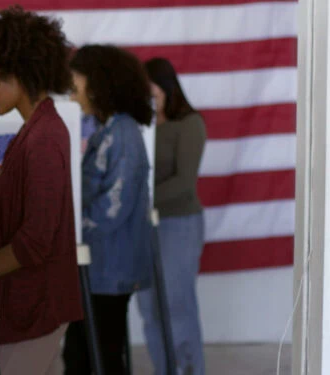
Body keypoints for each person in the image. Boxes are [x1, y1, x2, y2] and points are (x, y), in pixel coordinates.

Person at [0, 6, 83, 375]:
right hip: (30, 302)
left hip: (38, 304)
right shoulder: (35, 131)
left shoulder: (43, 138)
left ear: (21, 74)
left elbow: (35, 241)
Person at [63, 45, 154, 375]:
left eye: (77, 82)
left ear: (100, 84)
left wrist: (69, 231)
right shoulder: (107, 130)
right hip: (98, 267)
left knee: (99, 356)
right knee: (84, 353)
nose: (72, 90)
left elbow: (114, 206)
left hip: (110, 268)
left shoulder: (124, 133)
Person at [136, 57, 207, 375]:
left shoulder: (189, 124)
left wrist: (137, 202)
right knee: (149, 308)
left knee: (178, 305)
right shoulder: (139, 125)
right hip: (143, 227)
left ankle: (190, 369)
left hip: (178, 224)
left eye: (150, 86)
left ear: (165, 86)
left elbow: (184, 182)